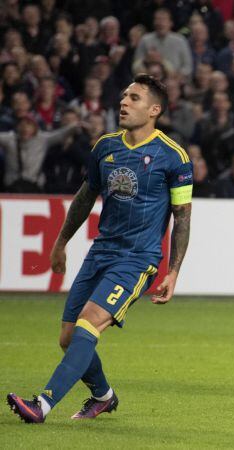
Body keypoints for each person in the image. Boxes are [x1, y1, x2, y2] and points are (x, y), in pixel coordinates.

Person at [6, 74, 193, 423]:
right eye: (123, 96)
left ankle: (42, 405)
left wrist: (174, 270)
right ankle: (103, 396)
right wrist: (61, 242)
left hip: (139, 258)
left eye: (134, 98)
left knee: (88, 325)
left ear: (154, 109)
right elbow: (84, 197)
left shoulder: (173, 156)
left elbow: (182, 216)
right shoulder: (105, 146)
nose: (123, 102)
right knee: (67, 337)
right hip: (101, 252)